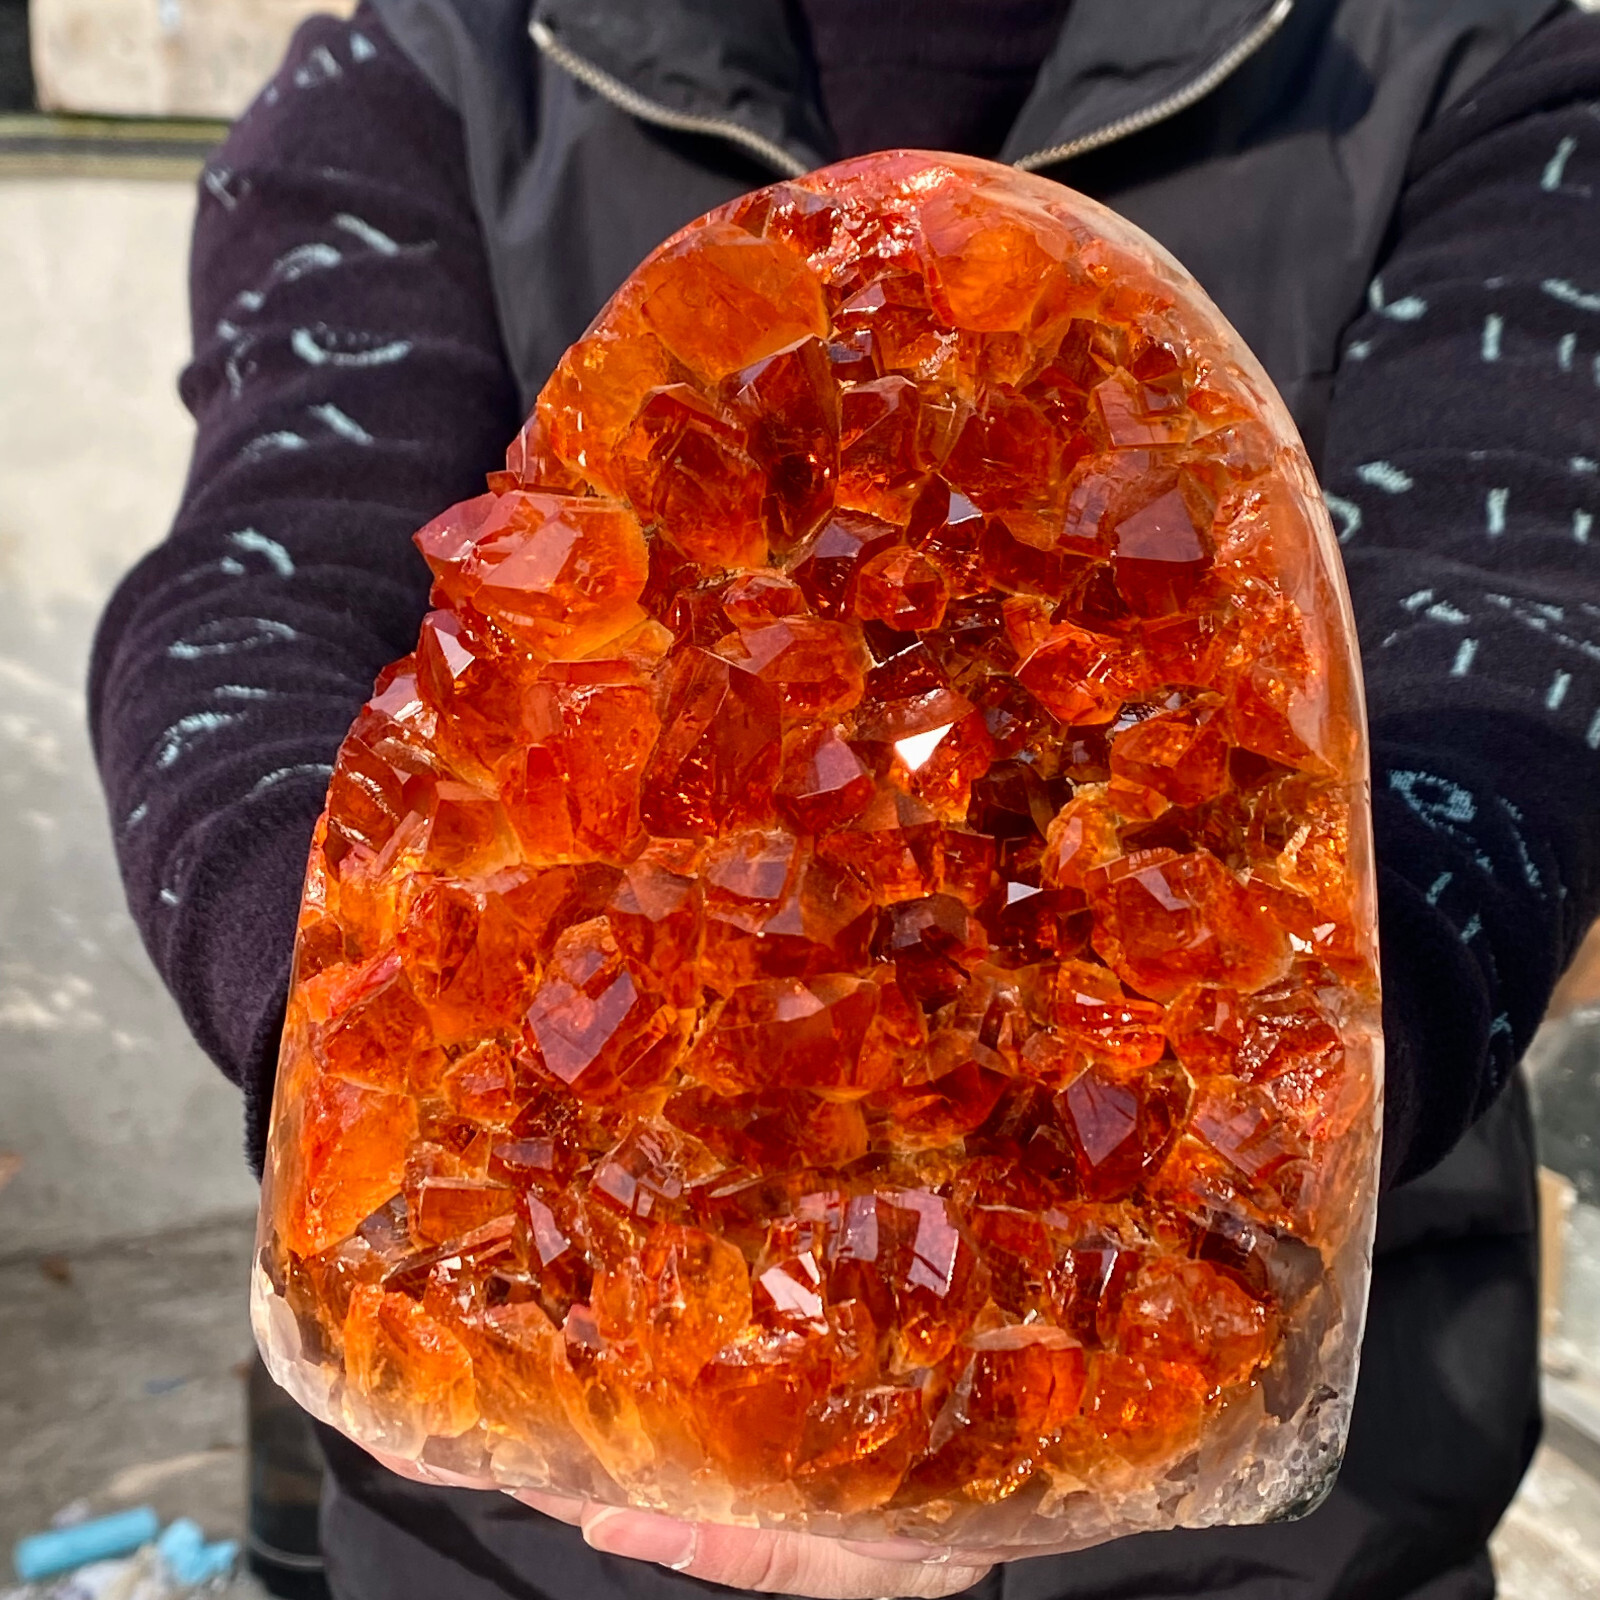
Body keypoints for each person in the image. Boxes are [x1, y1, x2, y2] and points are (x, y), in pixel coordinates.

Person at [89, 0, 1600, 1595]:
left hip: (1253, 1515)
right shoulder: (429, 62)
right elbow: (258, 593)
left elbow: (1510, 644)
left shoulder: (1490, 63)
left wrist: (1261, 1121)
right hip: (510, 1522)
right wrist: (384, 1046)